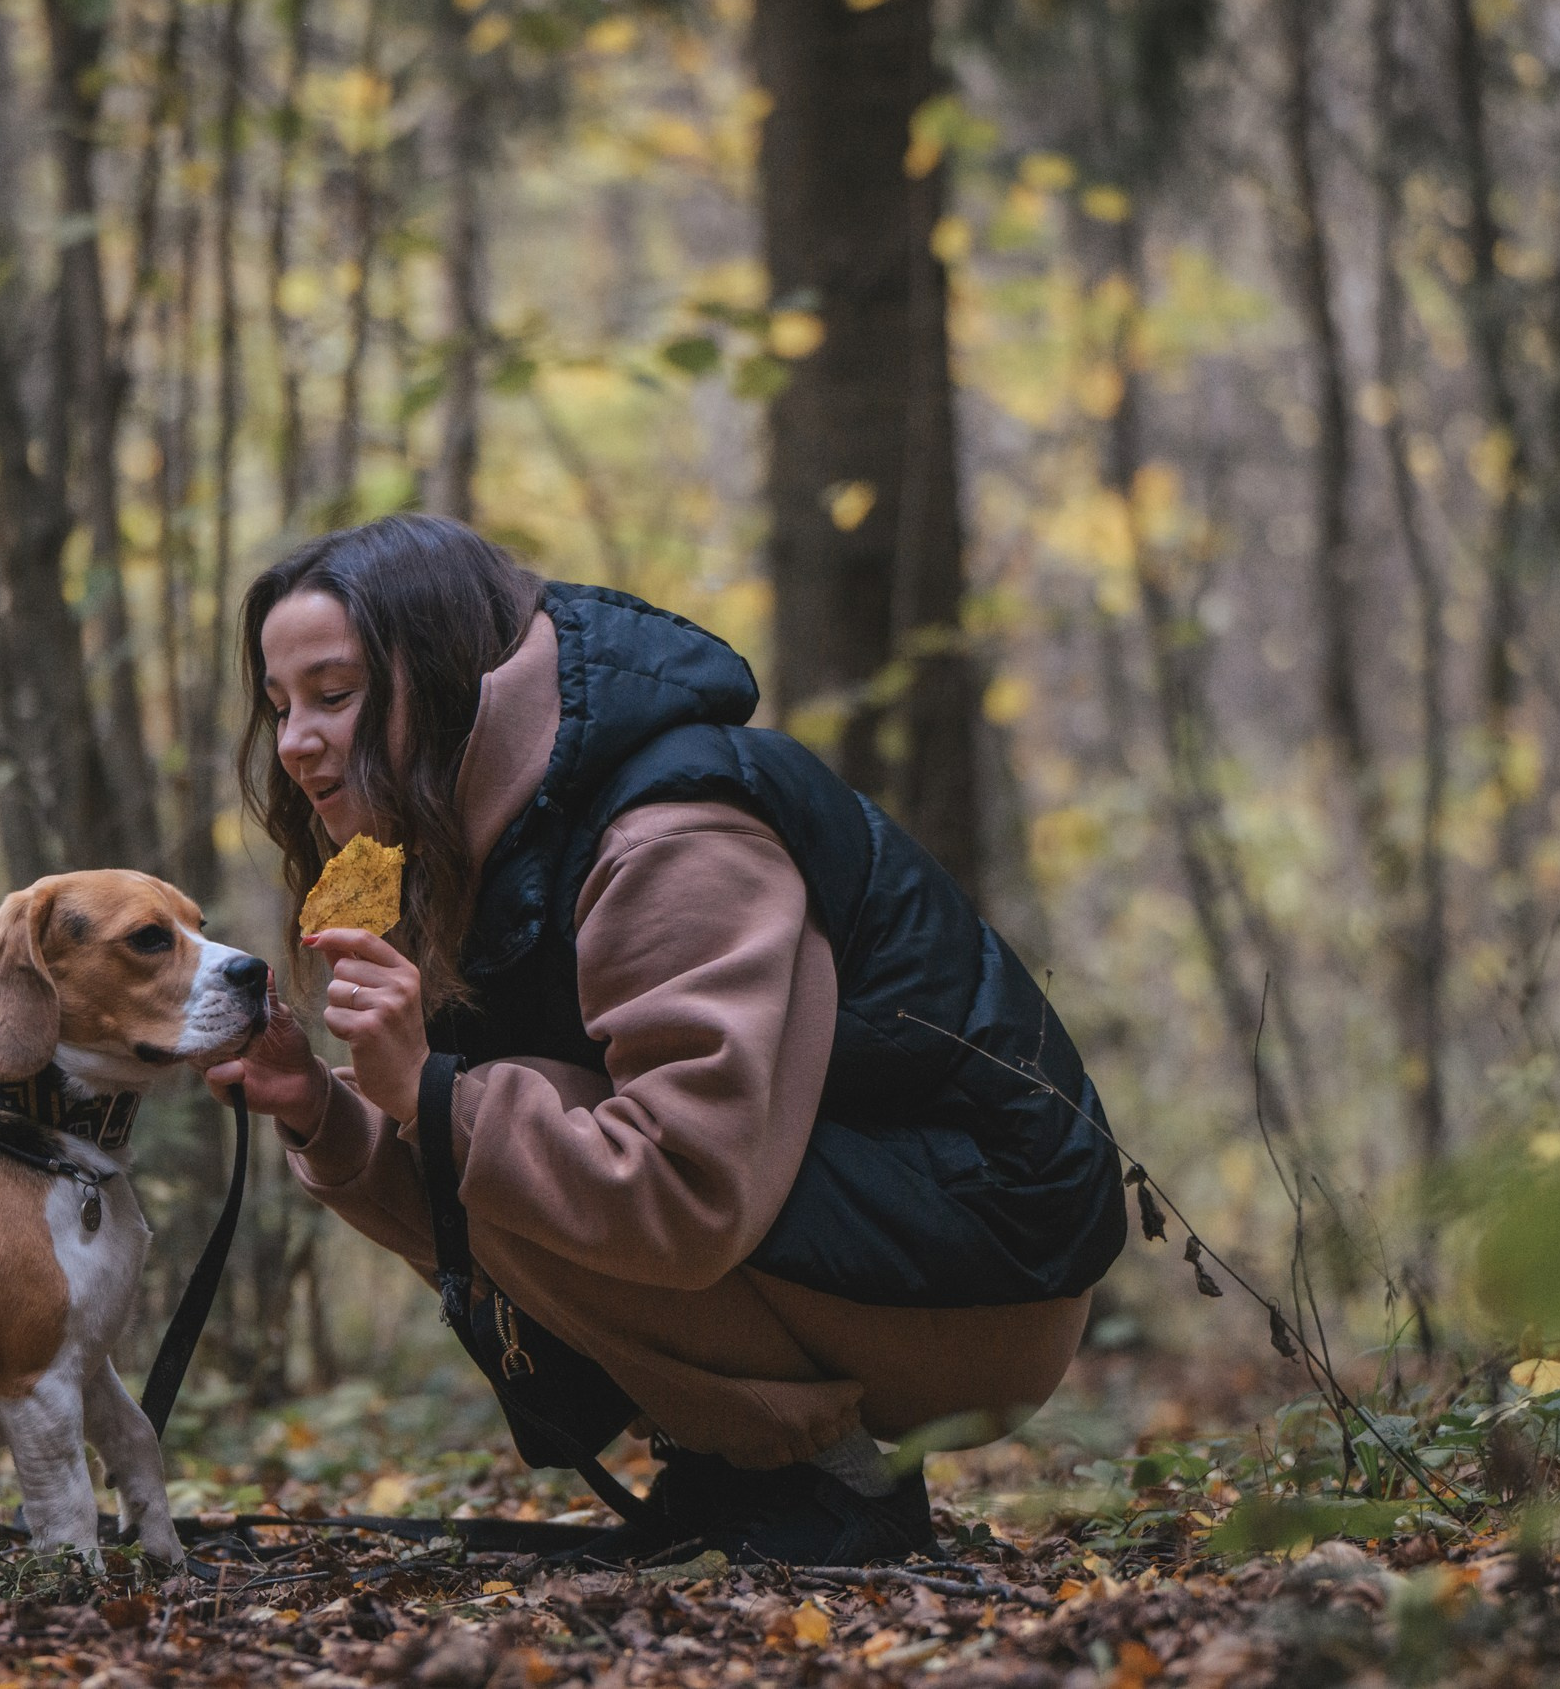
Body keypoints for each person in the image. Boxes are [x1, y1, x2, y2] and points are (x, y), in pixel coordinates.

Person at [204, 514, 1127, 1566]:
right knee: (479, 1120)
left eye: (335, 695)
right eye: (280, 708)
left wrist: (431, 1093)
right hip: (850, 1240)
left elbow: (688, 1191)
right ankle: (739, 1464)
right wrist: (320, 1109)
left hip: (985, 1285)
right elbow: (477, 1205)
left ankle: (822, 1485)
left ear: (453, 676)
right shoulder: (442, 858)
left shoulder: (670, 835)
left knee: (481, 1111)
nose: (295, 743)